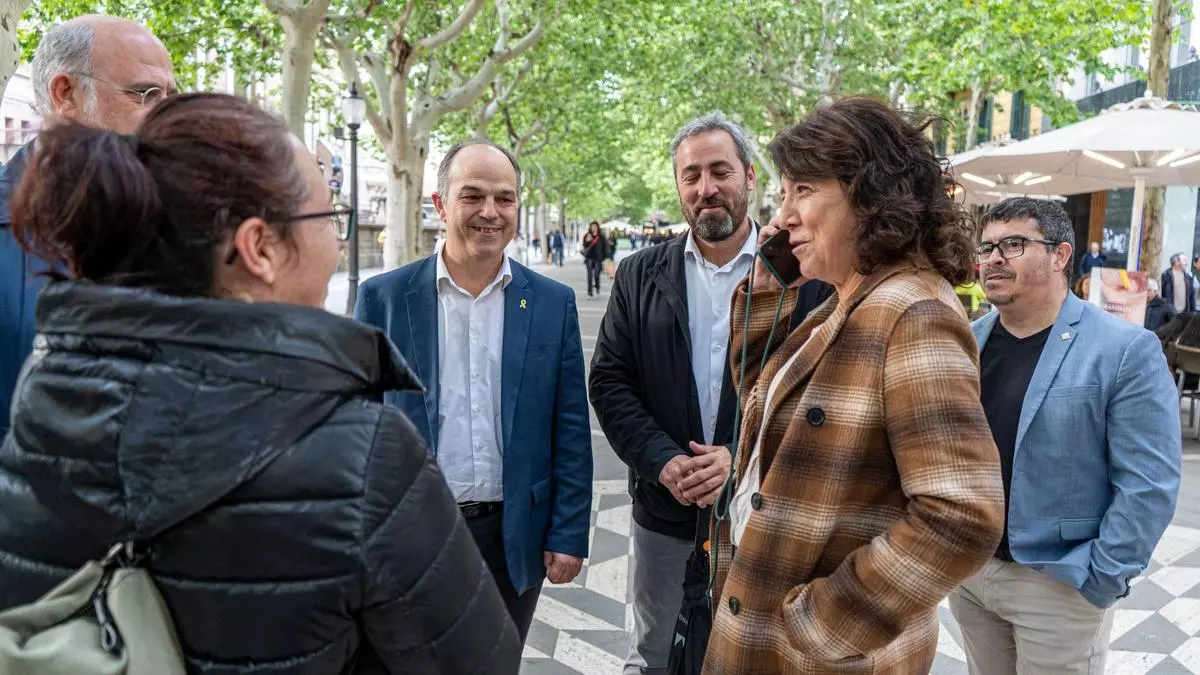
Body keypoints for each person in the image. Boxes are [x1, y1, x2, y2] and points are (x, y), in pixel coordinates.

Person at [0, 93, 520, 674]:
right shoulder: (365, 453)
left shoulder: (43, 397)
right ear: (259, 247)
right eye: (330, 218)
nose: (340, 242)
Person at [703, 97, 1004, 674]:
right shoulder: (846, 300)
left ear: (869, 196)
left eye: (803, 191)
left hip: (821, 657)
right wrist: (769, 291)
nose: (782, 216)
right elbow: (770, 405)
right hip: (763, 634)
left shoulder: (911, 311)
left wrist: (825, 623)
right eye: (784, 193)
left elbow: (962, 515)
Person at [590, 112, 832, 675]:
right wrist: (664, 461)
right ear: (677, 186)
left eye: (720, 171)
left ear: (749, 177)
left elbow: (820, 393)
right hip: (666, 511)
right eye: (691, 175)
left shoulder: (807, 275)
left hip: (766, 513)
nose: (706, 188)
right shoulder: (638, 275)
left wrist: (740, 460)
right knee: (653, 655)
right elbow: (610, 381)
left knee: (756, 657)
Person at [354, 138, 593, 644]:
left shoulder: (553, 303)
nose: (490, 212)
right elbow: (357, 427)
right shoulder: (384, 298)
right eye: (473, 196)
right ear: (441, 204)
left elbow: (569, 426)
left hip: (513, 536)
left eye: (504, 198)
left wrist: (568, 532)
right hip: (414, 536)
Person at [950, 197, 1181, 674]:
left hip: (1058, 584)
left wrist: (1101, 576)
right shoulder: (966, 341)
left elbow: (1149, 483)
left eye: (1013, 244)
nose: (993, 258)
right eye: (987, 246)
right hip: (971, 573)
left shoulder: (1123, 349)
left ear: (1060, 255)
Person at [0, 15, 178, 439]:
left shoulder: (186, 222)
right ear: (66, 95)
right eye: (146, 94)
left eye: (172, 96)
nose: (166, 115)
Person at [583, 220, 608, 297]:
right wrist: (588, 241)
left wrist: (605, 257)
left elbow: (605, 247)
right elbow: (585, 246)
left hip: (598, 258)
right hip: (589, 258)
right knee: (589, 275)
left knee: (597, 274)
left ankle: (597, 286)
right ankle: (590, 291)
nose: (594, 228)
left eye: (595, 227)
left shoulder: (601, 236)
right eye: (592, 227)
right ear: (590, 227)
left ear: (597, 227)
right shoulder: (587, 235)